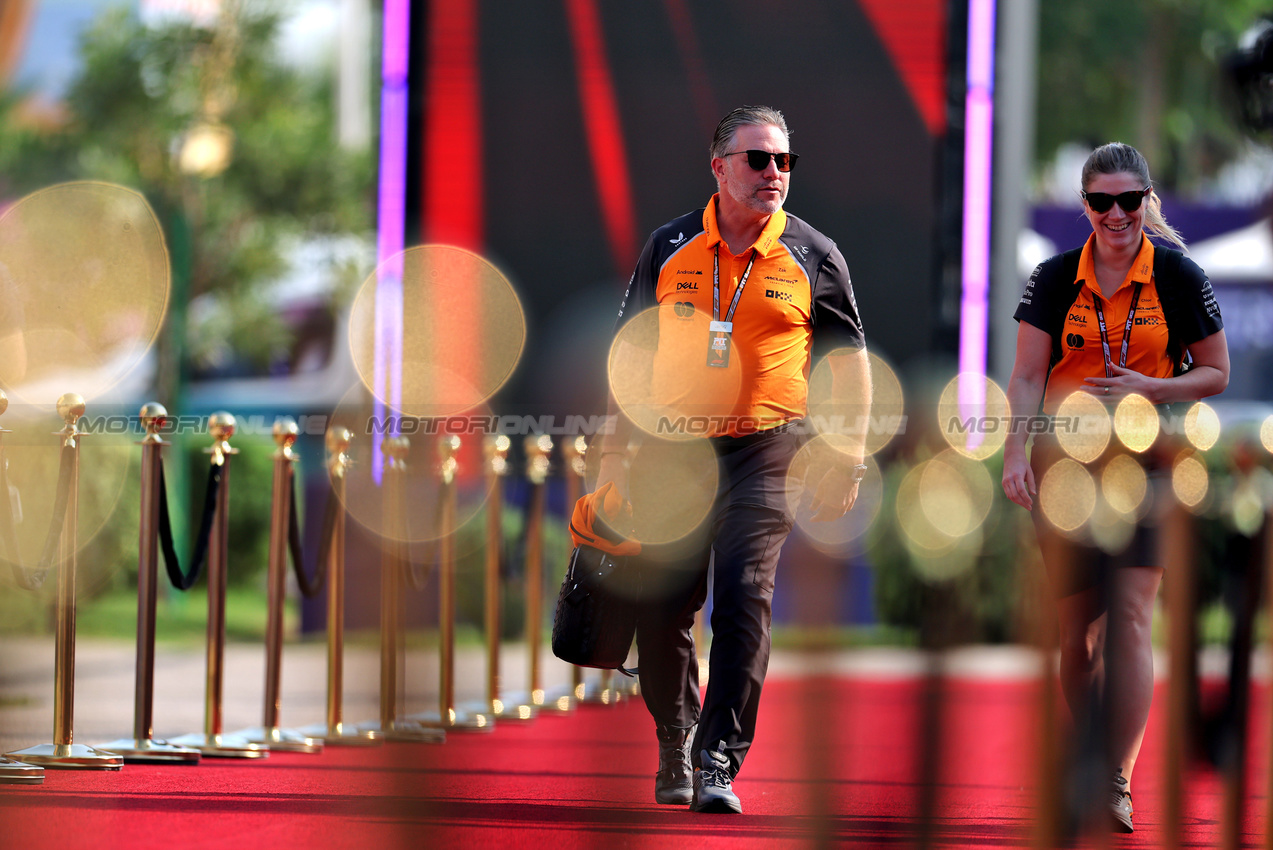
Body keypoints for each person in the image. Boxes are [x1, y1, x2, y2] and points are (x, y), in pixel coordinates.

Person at [570, 105, 870, 813]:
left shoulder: (815, 254)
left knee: (744, 596)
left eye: (784, 161)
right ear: (719, 167)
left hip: (768, 449)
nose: (774, 173)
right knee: (664, 605)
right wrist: (611, 459)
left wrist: (848, 455)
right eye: (758, 159)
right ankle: (675, 737)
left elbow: (849, 362)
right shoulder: (669, 244)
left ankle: (718, 760)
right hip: (670, 449)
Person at [1002, 142, 1229, 833]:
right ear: (1085, 206)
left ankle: (1116, 778)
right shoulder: (1052, 278)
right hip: (1064, 469)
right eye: (1101, 201)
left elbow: (1215, 372)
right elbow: (1027, 376)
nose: (1116, 214)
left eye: (1129, 199)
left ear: (1146, 200)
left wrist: (1151, 389)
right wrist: (1014, 452)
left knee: (1130, 617)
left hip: (1149, 462)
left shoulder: (1178, 275)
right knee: (1080, 636)